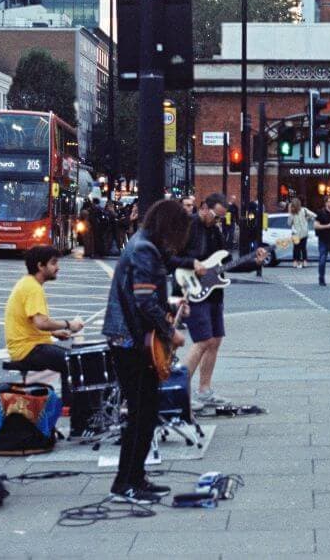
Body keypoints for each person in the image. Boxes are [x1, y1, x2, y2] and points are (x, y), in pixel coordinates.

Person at [101, 199, 191, 504]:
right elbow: (143, 301)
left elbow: (147, 296)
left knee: (147, 412)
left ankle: (136, 477)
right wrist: (171, 332)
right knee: (141, 413)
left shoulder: (144, 245)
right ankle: (124, 483)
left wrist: (173, 308)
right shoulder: (143, 249)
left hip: (133, 339)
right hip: (130, 342)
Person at [173, 194, 263, 410]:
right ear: (204, 208)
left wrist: (253, 262)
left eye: (222, 218)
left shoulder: (215, 231)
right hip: (191, 290)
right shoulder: (188, 227)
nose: (218, 221)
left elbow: (227, 264)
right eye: (215, 216)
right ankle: (178, 391)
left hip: (213, 293)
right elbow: (170, 258)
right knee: (202, 340)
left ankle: (204, 390)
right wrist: (192, 262)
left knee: (215, 340)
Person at [4, 245, 84, 403]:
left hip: (28, 345)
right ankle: (70, 407)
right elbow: (41, 322)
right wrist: (69, 324)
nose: (58, 268)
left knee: (71, 359)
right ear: (41, 266)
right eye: (53, 263)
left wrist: (53, 334)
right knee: (72, 361)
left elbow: (30, 322)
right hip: (28, 349)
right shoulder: (33, 288)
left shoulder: (28, 283)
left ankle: (70, 404)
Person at [314, 195, 330, 286]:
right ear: (326, 203)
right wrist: (328, 226)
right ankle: (321, 278)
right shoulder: (321, 213)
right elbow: (316, 225)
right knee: (322, 260)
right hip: (323, 240)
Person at [288, 198, 316, 269]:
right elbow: (314, 215)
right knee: (303, 248)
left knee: (296, 248)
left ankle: (295, 262)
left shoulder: (292, 213)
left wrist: (290, 214)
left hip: (295, 233)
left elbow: (289, 223)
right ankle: (305, 262)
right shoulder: (304, 210)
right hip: (304, 232)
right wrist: (308, 218)